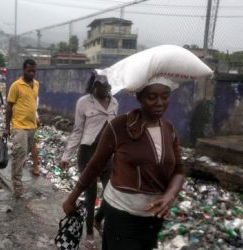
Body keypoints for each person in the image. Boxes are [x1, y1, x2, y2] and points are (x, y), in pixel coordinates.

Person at [62, 76, 186, 250]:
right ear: (140, 97)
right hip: (122, 217)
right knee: (97, 196)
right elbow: (95, 165)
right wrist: (72, 198)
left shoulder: (169, 129)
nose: (160, 102)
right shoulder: (120, 126)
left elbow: (179, 170)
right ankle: (93, 226)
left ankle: (98, 219)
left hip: (153, 219)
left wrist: (169, 195)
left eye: (165, 96)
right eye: (152, 97)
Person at [59, 71, 119, 249]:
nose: (106, 88)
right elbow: (77, 130)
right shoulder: (83, 102)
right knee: (90, 196)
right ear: (94, 85)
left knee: (112, 193)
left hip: (108, 155)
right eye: (102, 85)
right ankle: (90, 233)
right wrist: (66, 156)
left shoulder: (115, 102)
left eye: (108, 85)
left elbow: (115, 131)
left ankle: (98, 220)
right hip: (88, 153)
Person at [3, 59, 39, 197]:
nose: (32, 73)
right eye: (29, 70)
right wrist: (7, 128)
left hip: (32, 126)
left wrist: (36, 117)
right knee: (20, 153)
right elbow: (9, 107)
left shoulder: (36, 84)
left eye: (34, 71)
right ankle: (17, 185)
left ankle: (17, 174)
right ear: (23, 70)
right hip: (19, 126)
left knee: (24, 154)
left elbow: (32, 103)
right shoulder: (16, 85)